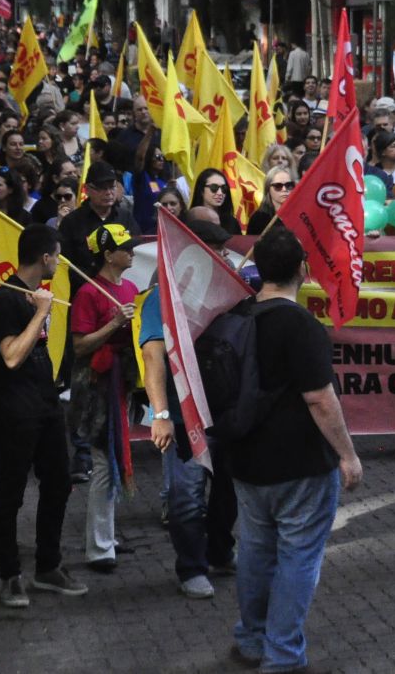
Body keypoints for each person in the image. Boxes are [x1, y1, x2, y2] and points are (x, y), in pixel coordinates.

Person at [227, 226, 362, 672]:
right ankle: (283, 655)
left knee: (255, 550)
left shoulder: (238, 315)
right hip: (300, 464)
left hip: (247, 457)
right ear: (303, 270)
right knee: (298, 556)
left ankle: (250, 640)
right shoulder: (301, 325)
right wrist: (347, 454)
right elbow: (320, 398)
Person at [0, 223, 87, 607]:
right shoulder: (5, 302)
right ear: (44, 258)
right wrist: (41, 314)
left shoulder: (33, 296)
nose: (59, 261)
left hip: (46, 406)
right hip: (12, 414)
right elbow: (10, 356)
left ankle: (48, 565)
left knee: (58, 483)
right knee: (11, 493)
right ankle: (10, 575)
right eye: (57, 255)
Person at [139, 219, 240, 600]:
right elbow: (153, 356)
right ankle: (192, 567)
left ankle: (219, 552)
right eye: (217, 250)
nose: (224, 257)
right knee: (186, 499)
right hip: (184, 420)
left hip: (226, 415)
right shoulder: (160, 298)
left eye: (224, 250)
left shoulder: (231, 295)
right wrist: (161, 415)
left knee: (228, 491)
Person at [69, 224, 141, 571]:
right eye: (125, 247)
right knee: (102, 463)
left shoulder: (129, 287)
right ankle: (98, 549)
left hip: (122, 385)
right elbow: (79, 345)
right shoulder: (88, 293)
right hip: (98, 388)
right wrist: (113, 325)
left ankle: (107, 538)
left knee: (113, 461)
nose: (131, 251)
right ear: (108, 254)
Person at [58, 161, 137, 281]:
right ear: (87, 189)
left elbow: (138, 250)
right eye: (102, 188)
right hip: (84, 288)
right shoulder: (71, 222)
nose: (108, 192)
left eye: (112, 187)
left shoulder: (125, 217)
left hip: (121, 286)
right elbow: (63, 264)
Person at [190, 168, 241, 235]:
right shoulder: (190, 219)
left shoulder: (231, 223)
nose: (220, 193)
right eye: (214, 188)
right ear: (201, 190)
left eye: (223, 188)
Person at [245, 169, 295, 237]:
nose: (284, 189)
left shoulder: (301, 215)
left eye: (289, 185)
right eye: (278, 186)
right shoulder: (258, 219)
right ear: (268, 188)